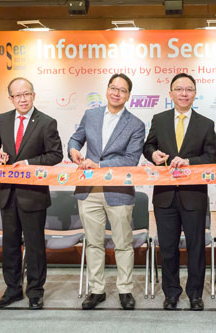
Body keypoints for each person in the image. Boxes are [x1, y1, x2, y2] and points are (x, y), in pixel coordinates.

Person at [68, 73, 145, 310]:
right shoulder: (91, 115)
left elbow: (131, 160)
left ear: (128, 95)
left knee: (123, 242)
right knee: (93, 243)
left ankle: (124, 290)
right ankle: (97, 289)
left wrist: (99, 165)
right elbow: (75, 138)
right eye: (113, 87)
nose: (116, 92)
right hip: (89, 189)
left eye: (122, 90)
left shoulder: (136, 124)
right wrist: (73, 151)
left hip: (118, 191)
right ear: (107, 90)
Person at [0, 77, 63, 309]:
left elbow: (55, 155)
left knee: (35, 245)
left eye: (26, 94)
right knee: (10, 245)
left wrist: (29, 163)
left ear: (34, 95)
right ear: (10, 98)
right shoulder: (3, 119)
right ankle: (12, 290)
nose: (22, 99)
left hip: (33, 195)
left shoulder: (47, 122)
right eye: (17, 95)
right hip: (7, 193)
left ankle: (35, 293)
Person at [143, 73, 216, 311]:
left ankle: (195, 294)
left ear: (195, 93)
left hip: (193, 195)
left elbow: (211, 157)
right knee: (167, 247)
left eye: (189, 89)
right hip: (164, 196)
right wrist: (152, 155)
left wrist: (189, 162)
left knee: (196, 247)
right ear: (171, 93)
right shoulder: (159, 119)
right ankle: (171, 293)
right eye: (179, 89)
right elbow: (148, 146)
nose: (184, 93)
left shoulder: (206, 123)